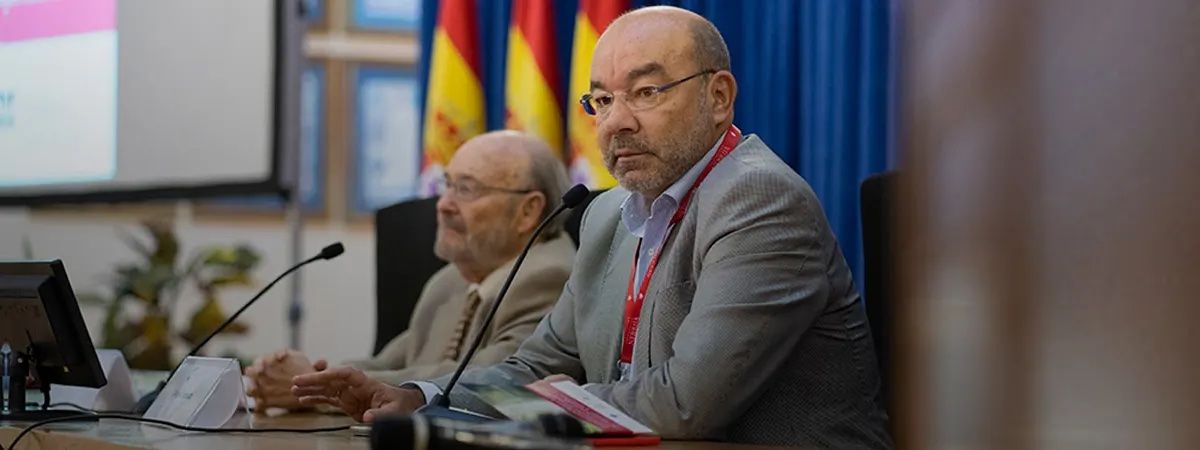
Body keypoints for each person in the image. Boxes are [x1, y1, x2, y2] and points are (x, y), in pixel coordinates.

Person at [291, 6, 890, 447]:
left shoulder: (759, 200)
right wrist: (421, 397)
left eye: (647, 91)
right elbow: (533, 365)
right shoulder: (605, 214)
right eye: (601, 101)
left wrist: (528, 411)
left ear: (719, 96)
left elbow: (686, 404)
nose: (616, 124)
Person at [244, 131, 576, 411]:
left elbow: (497, 374)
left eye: (466, 189)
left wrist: (322, 390)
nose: (443, 204)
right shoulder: (450, 280)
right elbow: (388, 362)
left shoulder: (550, 277)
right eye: (447, 185)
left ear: (529, 211)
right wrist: (311, 380)